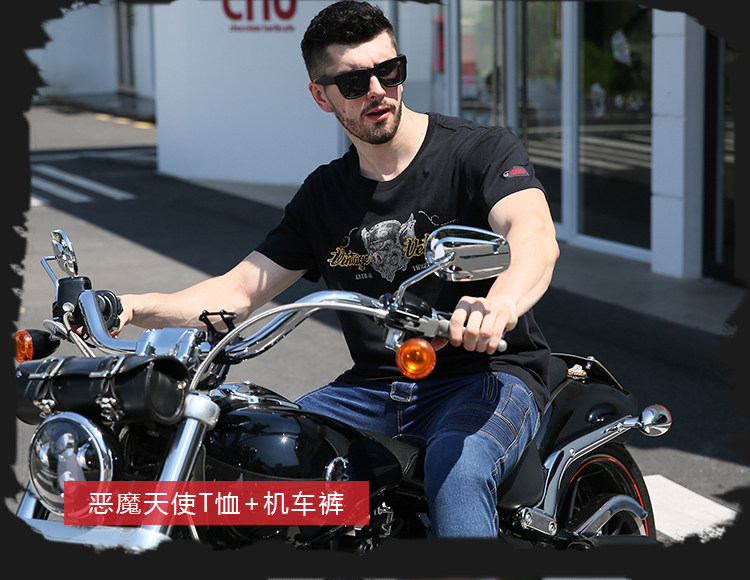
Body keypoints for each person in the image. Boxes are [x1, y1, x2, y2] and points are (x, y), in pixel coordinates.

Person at [115, 1, 559, 538]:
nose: (377, 89)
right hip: (373, 389)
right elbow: (238, 290)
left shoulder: (479, 152)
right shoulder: (324, 194)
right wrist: (131, 306)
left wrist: (499, 303)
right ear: (321, 96)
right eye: (353, 82)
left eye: (389, 70)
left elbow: (533, 235)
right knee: (265, 452)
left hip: (483, 377)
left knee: (458, 469)